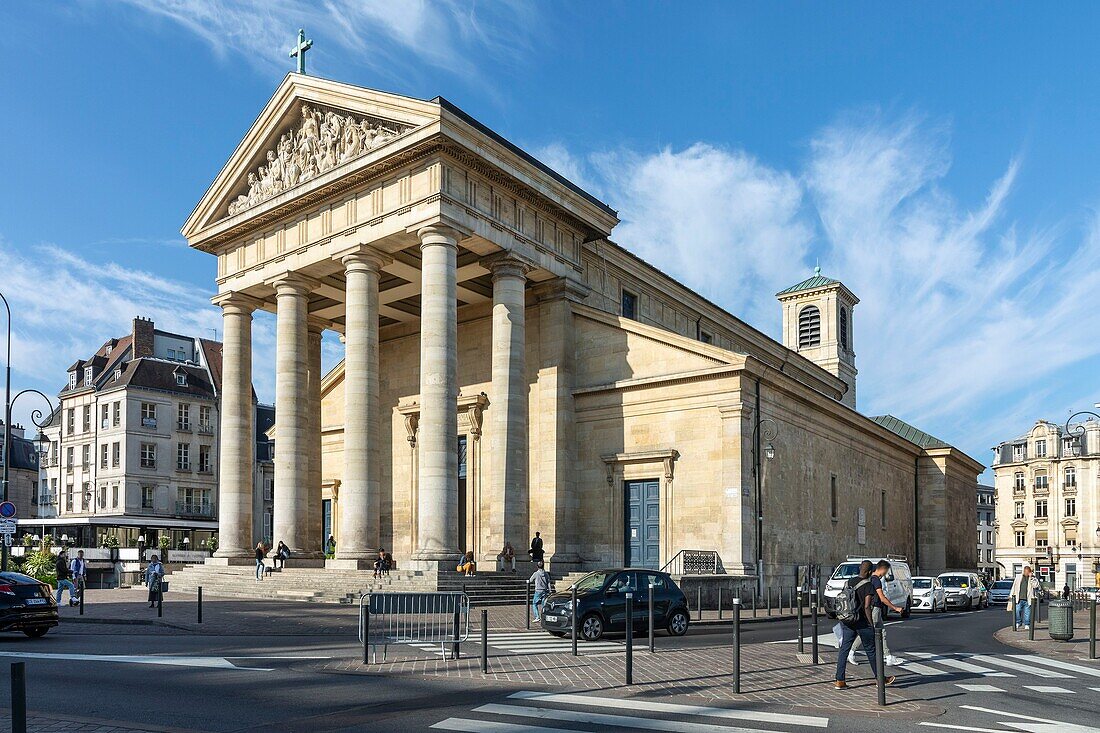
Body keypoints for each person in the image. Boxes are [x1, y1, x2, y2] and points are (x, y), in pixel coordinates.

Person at [834, 560, 896, 689]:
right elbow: (867, 606)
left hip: (848, 620)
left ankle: (840, 680)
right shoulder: (868, 585)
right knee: (871, 650)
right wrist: (870, 623)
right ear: (868, 572)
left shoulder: (849, 582)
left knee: (844, 649)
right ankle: (880, 679)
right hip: (862, 621)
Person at [849, 560, 905, 667]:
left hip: (875, 609)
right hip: (875, 609)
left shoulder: (870, 578)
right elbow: (882, 598)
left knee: (882, 633)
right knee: (867, 631)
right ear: (882, 569)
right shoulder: (876, 581)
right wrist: (895, 608)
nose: (886, 574)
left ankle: (888, 657)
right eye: (886, 571)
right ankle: (851, 652)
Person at [1009, 565, 1041, 630]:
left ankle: (1027, 624)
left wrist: (1031, 577)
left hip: (1028, 599)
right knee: (1017, 611)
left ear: (1030, 572)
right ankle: (1018, 622)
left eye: (1028, 572)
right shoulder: (1018, 577)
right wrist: (1011, 595)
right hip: (1019, 598)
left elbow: (1036, 586)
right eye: (1025, 572)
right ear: (1023, 571)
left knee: (1027, 613)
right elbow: (1014, 586)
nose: (1026, 573)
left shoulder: (1033, 578)